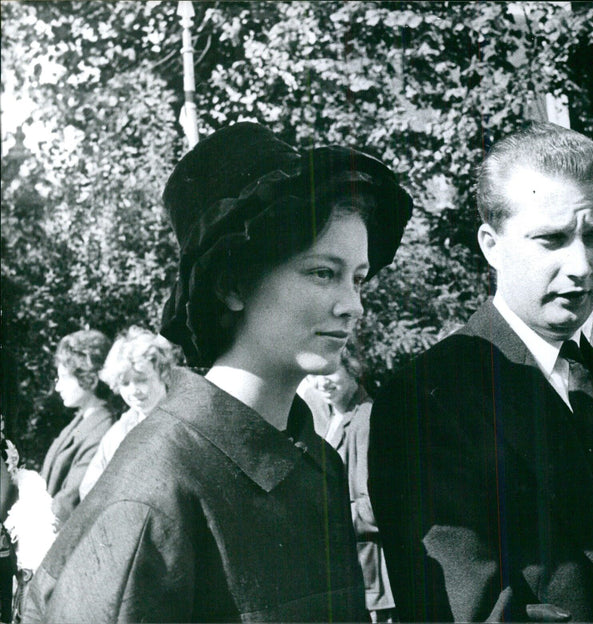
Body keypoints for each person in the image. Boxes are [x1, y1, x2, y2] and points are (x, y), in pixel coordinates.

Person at [22, 122, 412, 622]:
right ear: (232, 284)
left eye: (358, 279)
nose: (352, 305)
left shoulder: (317, 463)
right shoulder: (156, 490)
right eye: (323, 273)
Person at [369, 121, 593, 623]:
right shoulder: (428, 398)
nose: (582, 264)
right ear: (491, 245)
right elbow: (466, 612)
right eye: (552, 239)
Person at [306, 353, 395, 622]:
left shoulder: (366, 419)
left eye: (329, 372)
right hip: (348, 568)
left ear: (352, 370)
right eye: (313, 375)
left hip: (372, 574)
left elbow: (376, 506)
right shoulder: (332, 415)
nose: (321, 383)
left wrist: (323, 521)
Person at [78, 326, 180, 499]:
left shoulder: (183, 420)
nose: (134, 390)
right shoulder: (118, 432)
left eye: (141, 380)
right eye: (125, 383)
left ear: (162, 372)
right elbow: (89, 491)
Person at [40, 329, 114, 526]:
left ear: (89, 379)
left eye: (64, 377)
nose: (57, 387)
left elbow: (69, 502)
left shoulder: (103, 430)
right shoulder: (81, 420)